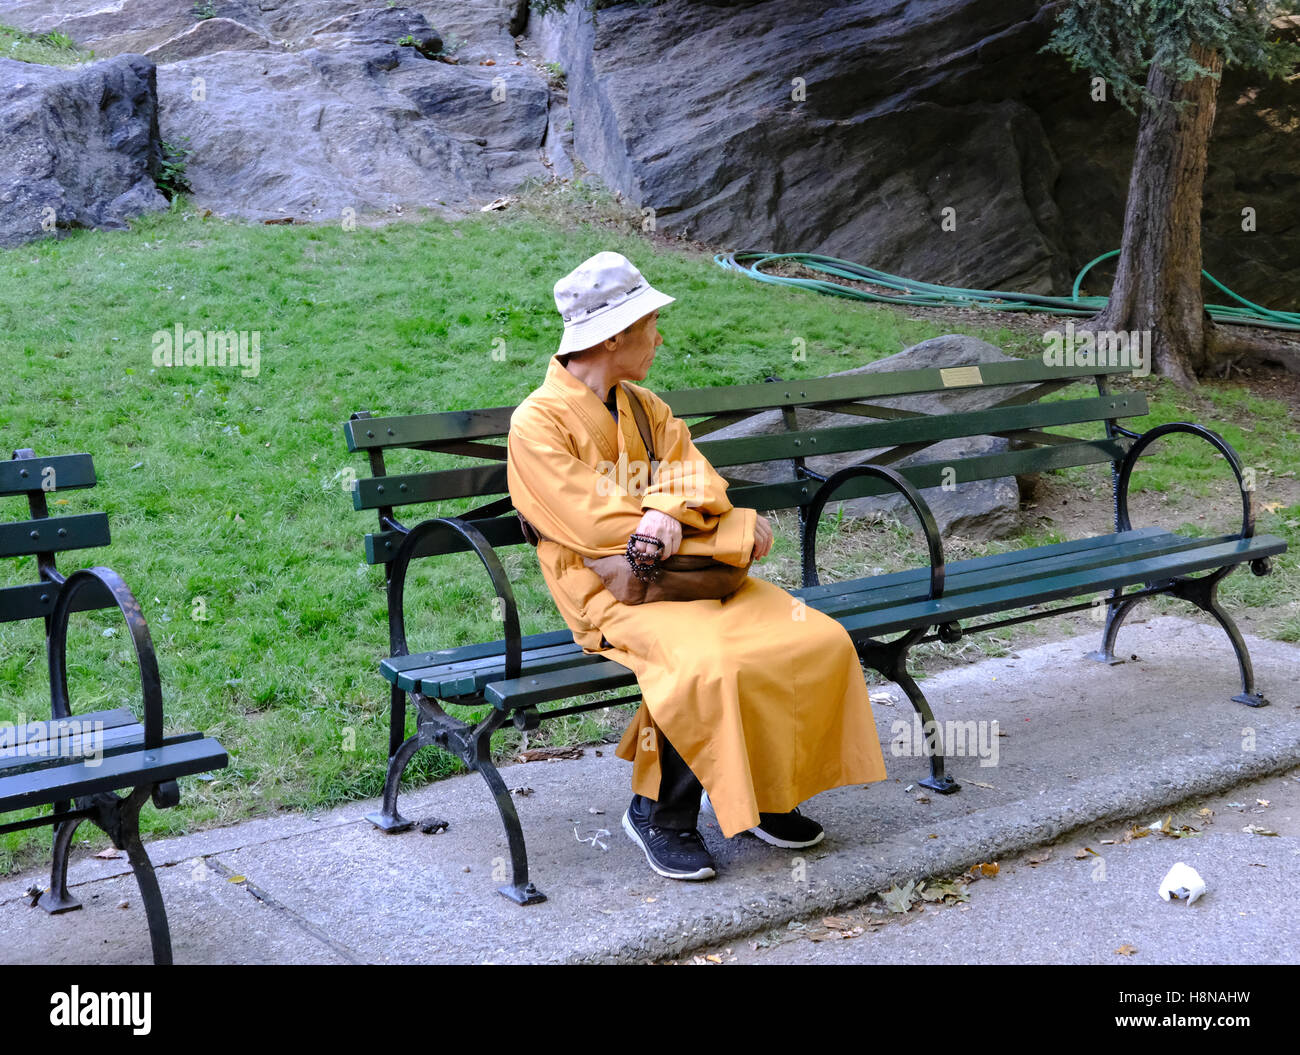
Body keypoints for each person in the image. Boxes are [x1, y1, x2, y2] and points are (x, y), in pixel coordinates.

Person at [506, 251, 887, 881]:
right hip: (614, 595)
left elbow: (698, 478)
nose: (658, 335)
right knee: (709, 663)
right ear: (615, 335)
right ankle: (659, 812)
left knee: (813, 638)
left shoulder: (646, 406)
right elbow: (595, 527)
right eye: (650, 323)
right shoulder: (536, 424)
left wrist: (668, 513)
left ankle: (767, 794)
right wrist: (715, 527)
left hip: (686, 577)